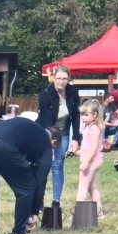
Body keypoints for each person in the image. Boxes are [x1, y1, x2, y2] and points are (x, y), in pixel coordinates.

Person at [0, 113, 53, 234]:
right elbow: (40, 181)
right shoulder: (46, 144)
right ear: (54, 142)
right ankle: (19, 233)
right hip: (0, 144)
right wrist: (35, 212)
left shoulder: (27, 128)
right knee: (27, 187)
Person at [35, 66, 74, 207]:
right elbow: (45, 119)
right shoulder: (46, 93)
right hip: (46, 132)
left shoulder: (73, 93)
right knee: (44, 165)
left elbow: (75, 118)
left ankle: (56, 201)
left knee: (58, 166)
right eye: (59, 78)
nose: (61, 81)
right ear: (54, 78)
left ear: (68, 79)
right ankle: (38, 202)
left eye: (64, 78)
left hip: (63, 134)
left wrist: (76, 139)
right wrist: (50, 139)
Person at [76, 98, 106, 221]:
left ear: (95, 115)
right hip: (92, 159)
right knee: (92, 187)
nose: (83, 117)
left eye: (86, 115)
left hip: (92, 161)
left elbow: (94, 147)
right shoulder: (89, 127)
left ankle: (78, 213)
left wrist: (86, 161)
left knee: (82, 186)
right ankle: (99, 212)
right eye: (82, 114)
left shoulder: (94, 129)